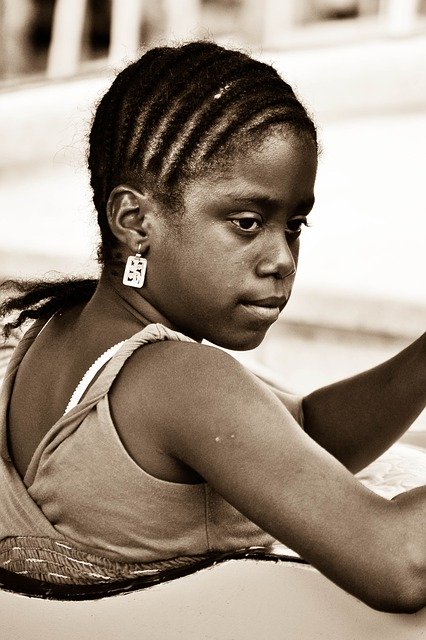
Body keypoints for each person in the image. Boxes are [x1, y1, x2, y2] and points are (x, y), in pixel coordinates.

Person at [0, 41, 425, 611]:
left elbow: (299, 441)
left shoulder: (50, 332)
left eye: (294, 225)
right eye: (247, 223)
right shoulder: (178, 378)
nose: (281, 259)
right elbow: (400, 562)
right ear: (135, 220)